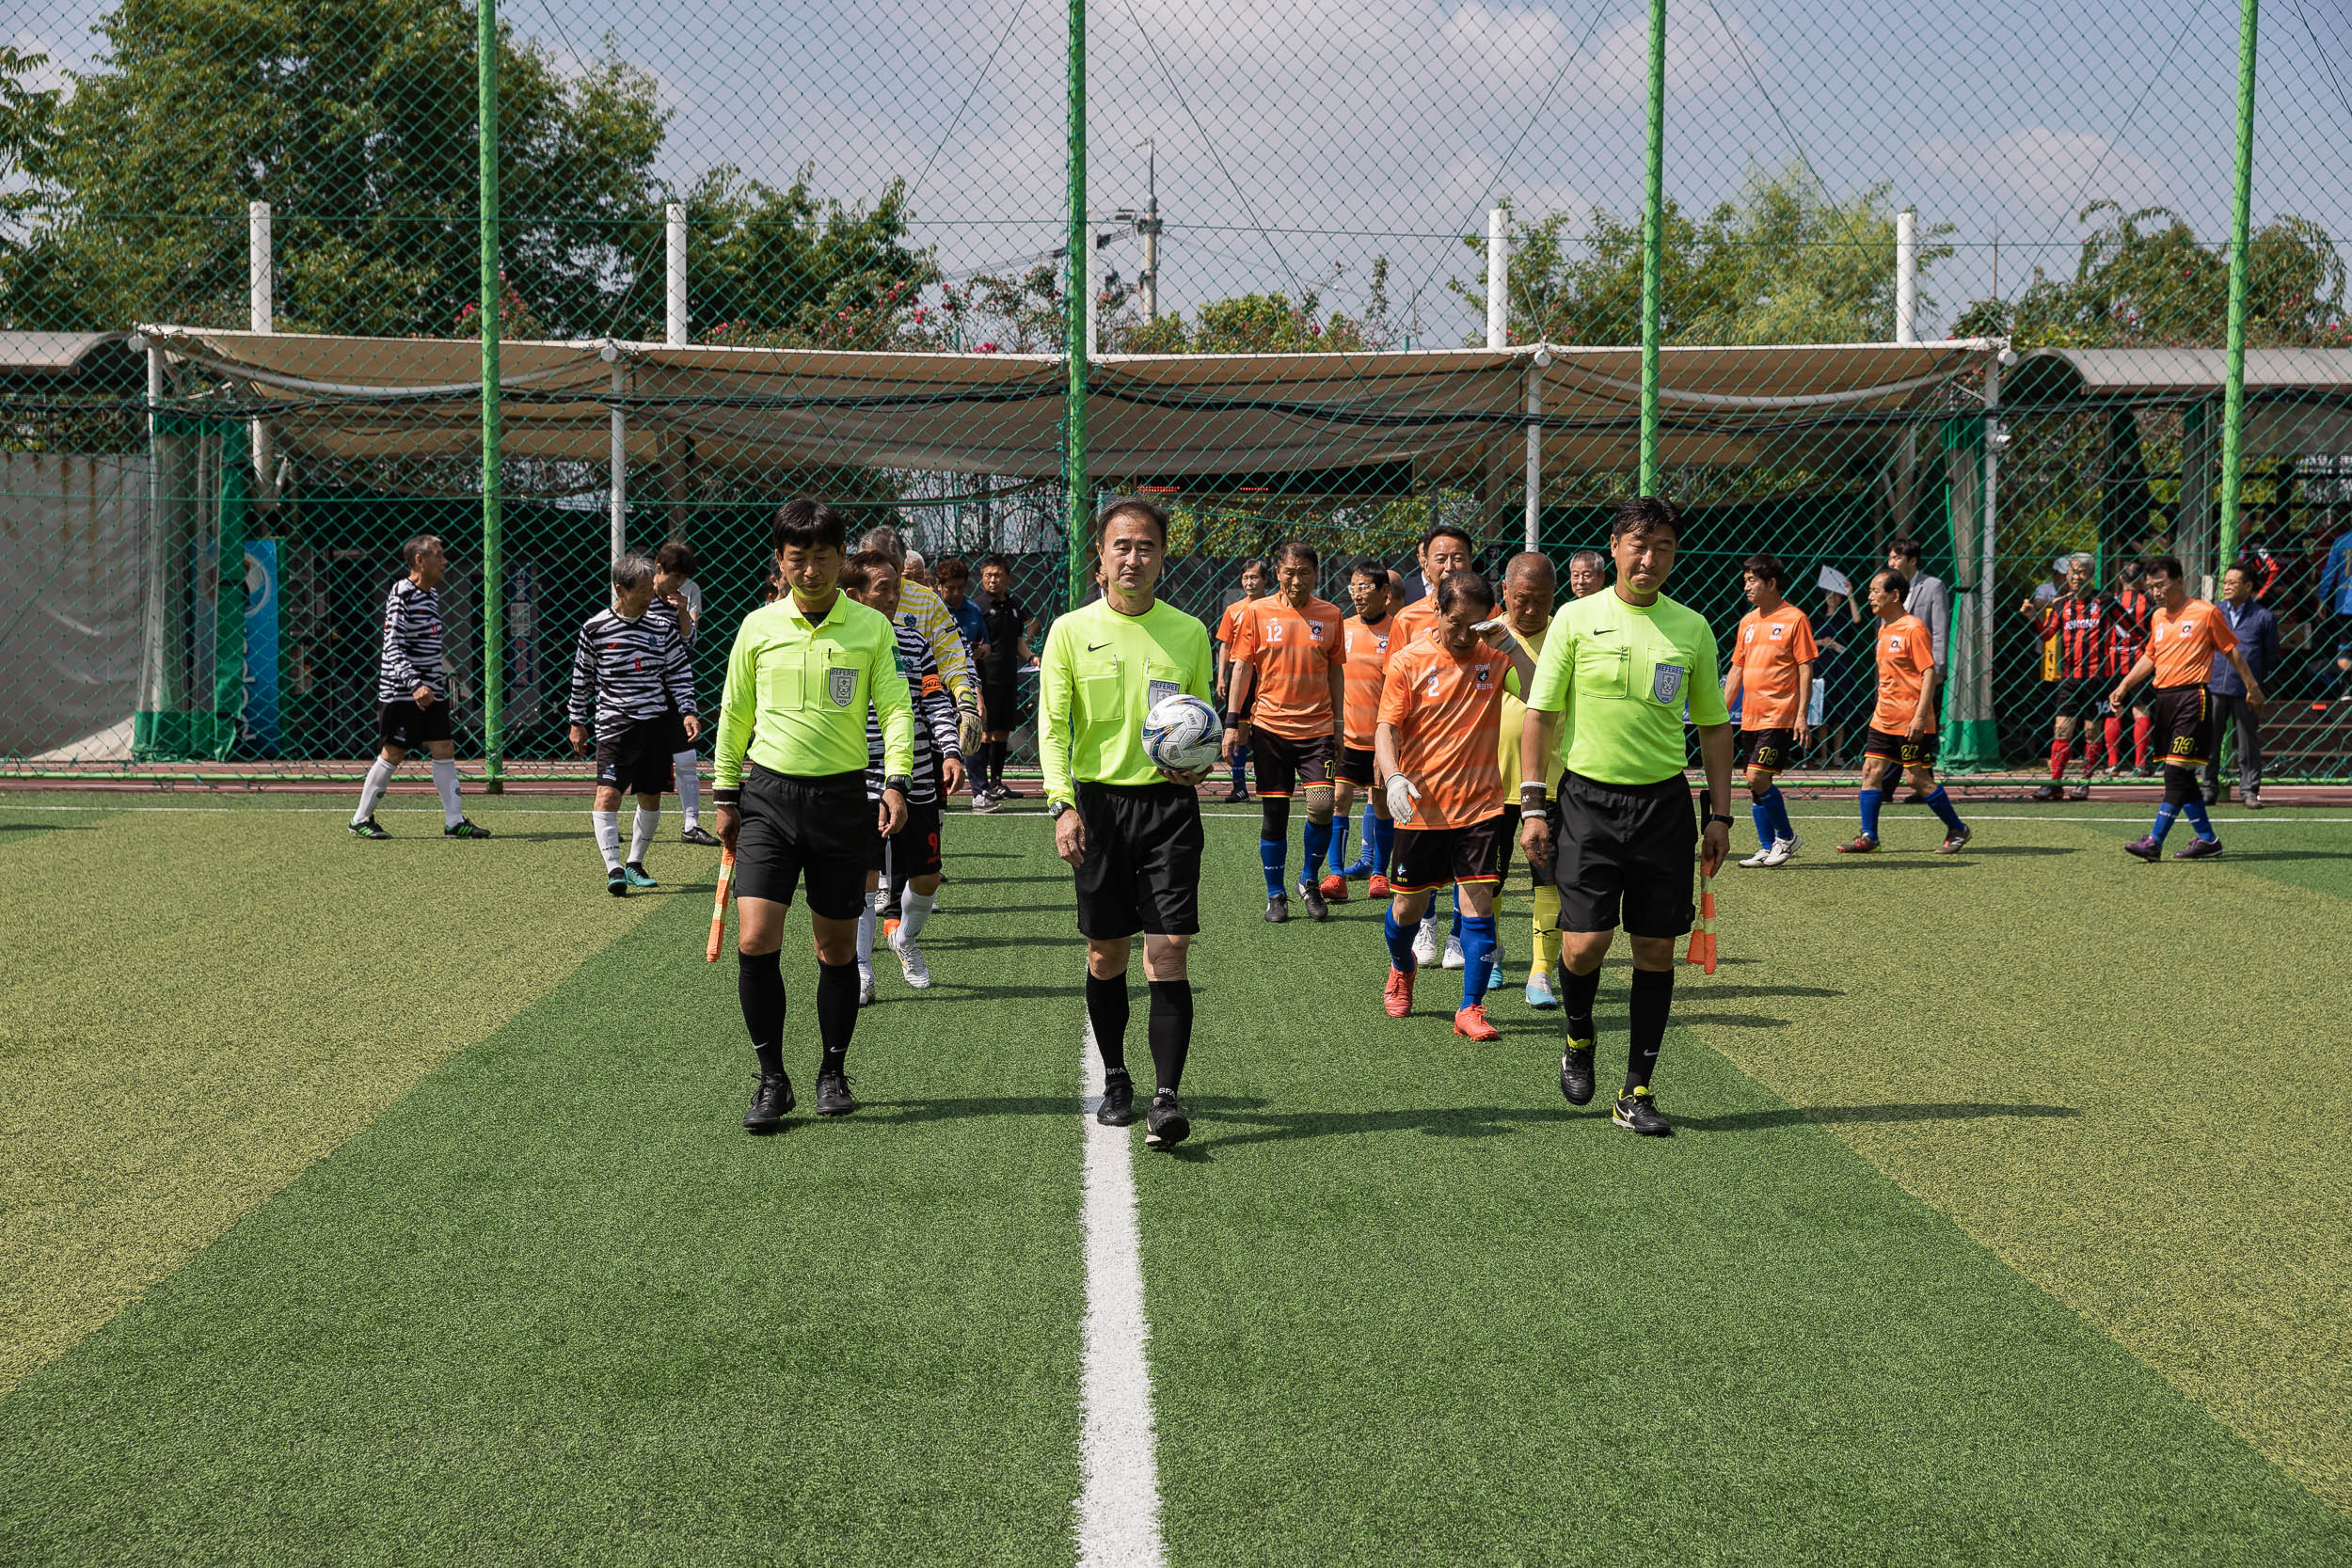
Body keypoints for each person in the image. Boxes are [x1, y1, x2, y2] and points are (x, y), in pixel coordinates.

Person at [1518, 497, 1736, 1136]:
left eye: (1664, 547)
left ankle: (1636, 1089)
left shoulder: (1692, 627)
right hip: (1587, 801)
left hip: (1663, 805)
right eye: (1639, 545)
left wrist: (1722, 814)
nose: (1650, 558)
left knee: (1654, 950)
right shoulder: (1575, 618)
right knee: (1584, 946)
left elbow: (1716, 728)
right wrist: (1534, 802)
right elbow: (1541, 714)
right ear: (1614, 547)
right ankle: (1579, 1035)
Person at [715, 499, 914, 1131]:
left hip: (839, 802)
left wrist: (897, 781)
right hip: (769, 798)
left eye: (822, 558)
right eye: (797, 559)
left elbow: (897, 708)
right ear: (779, 562)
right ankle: (773, 1079)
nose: (810, 570)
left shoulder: (870, 628)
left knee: (834, 949)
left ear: (840, 560)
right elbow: (734, 712)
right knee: (755, 937)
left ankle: (833, 1068)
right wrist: (725, 794)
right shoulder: (757, 627)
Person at [1041, 499, 1216, 1150]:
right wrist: (1062, 804)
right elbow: (1053, 729)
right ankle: (1116, 1076)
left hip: (1169, 809)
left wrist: (1200, 766)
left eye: (1146, 547)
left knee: (1167, 951)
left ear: (1162, 557)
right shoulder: (1068, 631)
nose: (1133, 558)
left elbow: (1202, 723)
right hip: (1097, 809)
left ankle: (1166, 1095)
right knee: (1106, 952)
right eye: (1121, 547)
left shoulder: (1190, 632)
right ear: (1100, 560)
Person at [1375, 569, 1537, 1042]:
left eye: (1475, 623)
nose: (1465, 635)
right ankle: (1402, 967)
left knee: (1479, 905)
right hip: (1420, 808)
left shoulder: (1494, 655)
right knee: (1407, 910)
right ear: (1438, 612)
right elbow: (1387, 728)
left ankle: (1471, 1008)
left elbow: (1536, 694)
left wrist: (1510, 647)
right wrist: (1394, 777)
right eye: (1455, 623)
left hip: (1481, 809)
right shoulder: (1408, 661)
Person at [839, 550, 966, 998]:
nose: (895, 597)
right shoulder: (838, 644)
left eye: (898, 586)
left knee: (927, 877)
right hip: (860, 776)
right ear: (854, 595)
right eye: (884, 589)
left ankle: (904, 939)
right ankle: (862, 968)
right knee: (865, 875)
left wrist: (950, 751)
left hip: (917, 774)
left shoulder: (914, 643)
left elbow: (934, 701)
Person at [2111, 556, 2265, 861]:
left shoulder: (2205, 613)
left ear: (2179, 580)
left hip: (2192, 699)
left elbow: (2231, 653)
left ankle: (2154, 841)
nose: (2156, 592)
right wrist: (2124, 685)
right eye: (2151, 587)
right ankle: (2208, 840)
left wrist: (2253, 687)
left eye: (2161, 585)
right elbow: (2150, 657)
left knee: (2174, 773)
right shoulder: (2157, 618)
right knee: (2183, 777)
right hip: (2164, 701)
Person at [1224, 541, 1346, 923]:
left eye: (1304, 572)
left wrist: (1340, 725)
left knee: (1323, 805)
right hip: (1270, 729)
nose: (1296, 580)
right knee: (1274, 815)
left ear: (1316, 574)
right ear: (1277, 572)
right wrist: (1232, 723)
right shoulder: (1257, 613)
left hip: (1317, 729)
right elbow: (1242, 668)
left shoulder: (1331, 614)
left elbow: (1336, 671)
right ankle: (1275, 895)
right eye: (1289, 572)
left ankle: (1308, 880)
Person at [568, 554, 699, 895]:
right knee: (607, 795)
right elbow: (581, 679)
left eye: (647, 589)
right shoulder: (595, 629)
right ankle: (613, 868)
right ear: (620, 590)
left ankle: (634, 863)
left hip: (655, 725)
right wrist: (576, 722)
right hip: (614, 727)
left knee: (651, 797)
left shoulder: (661, 627)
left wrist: (687, 710)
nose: (647, 596)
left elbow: (678, 671)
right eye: (641, 590)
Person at [349, 533, 490, 840]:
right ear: (419, 561)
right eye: (438, 555)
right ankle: (360, 818)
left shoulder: (432, 596)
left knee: (444, 748)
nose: (444, 561)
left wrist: (430, 685)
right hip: (403, 693)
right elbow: (393, 647)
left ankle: (454, 821)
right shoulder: (402, 593)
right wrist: (414, 684)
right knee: (393, 753)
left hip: (430, 692)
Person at [1382, 523, 1477, 966]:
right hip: (1422, 763)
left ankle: (1460, 935)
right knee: (1417, 884)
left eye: (1457, 557)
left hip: (1475, 761)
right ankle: (1427, 925)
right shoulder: (1408, 619)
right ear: (1423, 561)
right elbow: (1394, 695)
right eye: (1440, 558)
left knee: (1473, 868)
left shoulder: (1485, 614)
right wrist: (1391, 765)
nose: (1449, 565)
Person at [1836, 569, 1971, 855]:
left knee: (1916, 779)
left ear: (1895, 595)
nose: (1869, 596)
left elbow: (1928, 673)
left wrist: (1920, 717)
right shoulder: (1884, 628)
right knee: (1871, 771)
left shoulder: (1913, 628)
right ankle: (1869, 836)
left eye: (1875, 591)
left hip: (1911, 720)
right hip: (1883, 718)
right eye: (1870, 591)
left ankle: (1957, 828)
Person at [1490, 552, 1561, 1006]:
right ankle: (1492, 956)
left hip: (1553, 781)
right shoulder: (1482, 637)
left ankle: (1540, 973)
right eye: (1521, 599)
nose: (1530, 609)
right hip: (1489, 781)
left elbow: (1541, 696)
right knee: (1487, 878)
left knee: (1548, 878)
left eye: (1540, 600)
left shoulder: (1568, 635)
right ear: (1504, 593)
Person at [1721, 553, 1816, 866]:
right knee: (1754, 783)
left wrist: (1801, 714)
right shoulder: (1747, 621)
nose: (1745, 587)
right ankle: (1766, 846)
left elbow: (1805, 668)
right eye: (1745, 580)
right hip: (1750, 716)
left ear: (1771, 583)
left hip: (1779, 714)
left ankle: (1787, 837)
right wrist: (1721, 711)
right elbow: (1736, 669)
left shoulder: (1795, 619)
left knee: (1757, 777)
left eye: (1751, 581)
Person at [856, 523, 981, 759]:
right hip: (859, 739)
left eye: (892, 565)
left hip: (919, 734)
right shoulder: (846, 601)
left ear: (903, 564)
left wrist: (966, 702)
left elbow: (952, 658)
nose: (885, 572)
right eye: (874, 563)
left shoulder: (927, 601)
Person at [1325, 562, 1398, 899]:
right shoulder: (1342, 626)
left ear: (1385, 594)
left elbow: (1399, 691)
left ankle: (1379, 874)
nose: (1357, 595)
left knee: (1382, 805)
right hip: (1346, 737)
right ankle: (1335, 875)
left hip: (1381, 740)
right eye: (1354, 588)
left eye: (1365, 588)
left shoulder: (1397, 632)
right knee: (1338, 799)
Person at [647, 542, 723, 847]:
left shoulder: (683, 596)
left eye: (683, 579)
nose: (679, 585)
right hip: (640, 692)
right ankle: (610, 821)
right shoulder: (637, 596)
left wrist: (681, 613)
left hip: (674, 689)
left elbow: (689, 644)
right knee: (637, 763)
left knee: (687, 756)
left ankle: (690, 825)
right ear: (658, 568)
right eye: (674, 578)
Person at [2022, 553, 2112, 801]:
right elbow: (2048, 634)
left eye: (2081, 572)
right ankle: (2055, 783)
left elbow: (2128, 628)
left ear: (2091, 576)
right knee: (2061, 730)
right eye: (2072, 571)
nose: (2075, 576)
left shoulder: (2105, 600)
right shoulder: (2061, 604)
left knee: (2091, 732)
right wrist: (2033, 617)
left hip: (2096, 678)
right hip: (2070, 678)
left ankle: (2084, 781)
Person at [2204, 562, 2280, 808]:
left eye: (2232, 583)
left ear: (2248, 586)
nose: (2226, 587)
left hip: (2246, 690)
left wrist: (2256, 683)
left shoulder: (2263, 617)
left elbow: (2270, 655)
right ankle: (2207, 788)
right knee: (2209, 740)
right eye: (2225, 582)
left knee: (2248, 741)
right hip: (2214, 685)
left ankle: (2249, 791)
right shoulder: (2213, 612)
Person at [971, 554, 1036, 809]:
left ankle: (997, 781)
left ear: (1007, 578)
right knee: (986, 731)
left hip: (1010, 676)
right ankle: (982, 785)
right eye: (988, 575)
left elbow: (1021, 640)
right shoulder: (978, 607)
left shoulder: (1014, 605)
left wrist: (1031, 657)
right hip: (986, 676)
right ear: (982, 578)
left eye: (998, 575)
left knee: (1002, 732)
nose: (993, 580)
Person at [1213, 558, 1269, 801]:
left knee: (1267, 730)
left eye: (1254, 577)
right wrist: (1221, 678)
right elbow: (1224, 645)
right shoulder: (1233, 610)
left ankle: (1269, 783)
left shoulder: (1274, 608)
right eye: (1245, 577)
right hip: (1240, 672)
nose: (1249, 582)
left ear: (1266, 580)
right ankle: (1239, 786)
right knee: (1239, 730)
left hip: (1268, 671)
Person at [1811, 565, 1867, 768]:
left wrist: (1850, 594)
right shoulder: (1816, 618)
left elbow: (1857, 619)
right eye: (1828, 595)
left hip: (1841, 667)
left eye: (1835, 595)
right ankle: (1823, 755)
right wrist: (1822, 643)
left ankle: (1838, 754)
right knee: (1822, 714)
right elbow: (1807, 641)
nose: (1831, 598)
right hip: (1822, 668)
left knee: (1839, 713)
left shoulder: (1844, 618)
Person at [2106, 561, 2157, 776]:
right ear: (2142, 580)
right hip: (2141, 661)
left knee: (2114, 708)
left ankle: (2112, 764)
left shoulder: (2111, 601)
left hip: (2113, 660)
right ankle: (2140, 764)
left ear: (2120, 579)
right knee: (2141, 710)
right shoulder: (2149, 603)